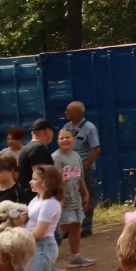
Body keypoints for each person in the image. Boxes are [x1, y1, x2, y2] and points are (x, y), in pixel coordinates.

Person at [51, 127, 94, 271]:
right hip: (63, 200)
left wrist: (86, 194)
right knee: (61, 229)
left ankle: (75, 257)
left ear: (74, 140)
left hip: (75, 198)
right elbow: (56, 181)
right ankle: (49, 262)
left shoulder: (76, 156)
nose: (64, 140)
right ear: (57, 141)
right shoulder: (56, 157)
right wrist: (59, 198)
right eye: (61, 138)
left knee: (76, 225)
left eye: (67, 137)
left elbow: (80, 178)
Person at [61, 102, 102, 238]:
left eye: (68, 110)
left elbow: (96, 149)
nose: (66, 113)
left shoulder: (89, 128)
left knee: (87, 195)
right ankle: (69, 227)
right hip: (69, 168)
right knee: (70, 196)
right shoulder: (67, 127)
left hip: (84, 169)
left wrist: (86, 165)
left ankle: (86, 227)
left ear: (77, 113)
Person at [25, 164, 64, 271]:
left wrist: (16, 237)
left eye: (34, 179)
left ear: (46, 182)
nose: (30, 182)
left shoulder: (49, 203)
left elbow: (39, 234)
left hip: (42, 246)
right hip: (32, 245)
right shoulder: (36, 199)